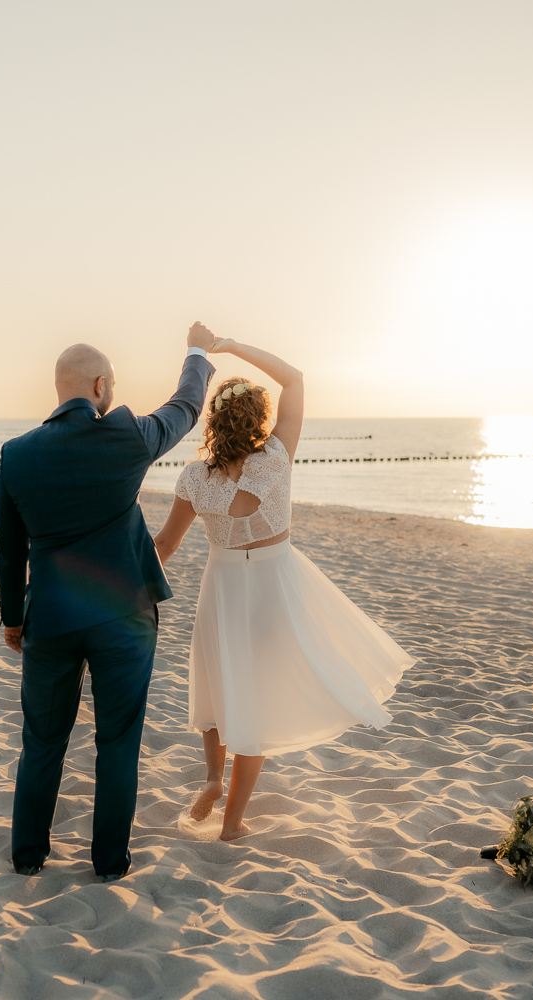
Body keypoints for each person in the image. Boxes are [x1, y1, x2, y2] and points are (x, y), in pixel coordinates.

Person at [152, 336, 414, 841]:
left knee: (217, 685)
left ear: (214, 424)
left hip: (221, 589)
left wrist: (126, 585)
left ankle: (212, 778)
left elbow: (164, 545)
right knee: (255, 702)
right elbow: (294, 378)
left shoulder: (194, 478)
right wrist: (229, 344)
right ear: (258, 419)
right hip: (273, 588)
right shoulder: (275, 455)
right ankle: (232, 824)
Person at [0, 324, 216, 880]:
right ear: (99, 385)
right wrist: (196, 350)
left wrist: (13, 620)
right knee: (118, 743)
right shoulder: (127, 436)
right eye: (111, 381)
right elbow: (186, 407)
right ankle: (110, 864)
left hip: (50, 619)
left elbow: (10, 550)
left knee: (42, 742)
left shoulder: (16, 455)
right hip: (124, 618)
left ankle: (28, 856)